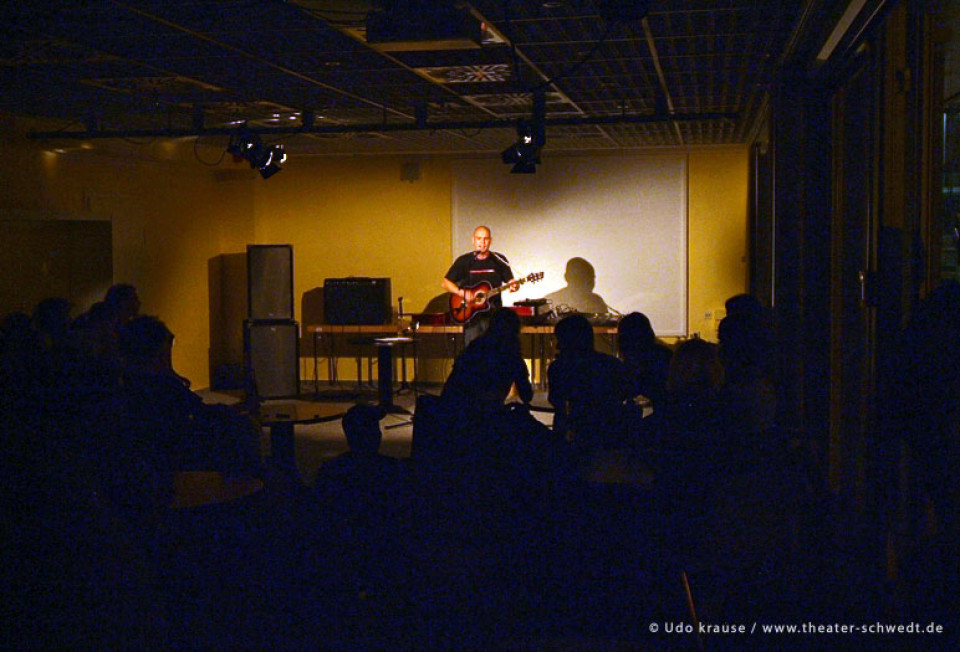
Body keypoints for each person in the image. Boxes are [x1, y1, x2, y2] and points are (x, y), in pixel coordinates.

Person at [547, 314, 632, 458]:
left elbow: (556, 400)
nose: (557, 346)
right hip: (609, 436)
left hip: (571, 436)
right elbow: (623, 394)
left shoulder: (558, 368)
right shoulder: (611, 364)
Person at [442, 225, 517, 345]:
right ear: (473, 240)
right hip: (471, 318)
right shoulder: (464, 261)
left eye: (486, 239)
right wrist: (462, 293)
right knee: (473, 354)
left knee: (494, 352)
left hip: (493, 317)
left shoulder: (499, 260)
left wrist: (513, 285)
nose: (482, 242)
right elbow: (446, 283)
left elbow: (510, 281)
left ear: (490, 241)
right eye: (479, 239)